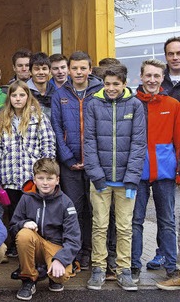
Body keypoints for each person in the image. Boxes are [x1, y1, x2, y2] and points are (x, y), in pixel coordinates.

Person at [83, 64, 146, 291]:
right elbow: (88, 143)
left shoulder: (135, 105)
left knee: (124, 227)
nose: (111, 88)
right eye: (107, 84)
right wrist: (97, 176)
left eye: (115, 84)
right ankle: (98, 268)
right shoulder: (93, 105)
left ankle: (124, 270)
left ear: (124, 83)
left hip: (125, 181)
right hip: (101, 180)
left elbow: (139, 144)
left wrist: (131, 178)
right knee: (99, 225)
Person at [0, 80, 56, 258]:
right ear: (9, 97)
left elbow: (48, 146)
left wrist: (45, 175)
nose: (18, 99)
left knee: (32, 212)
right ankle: (14, 245)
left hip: (30, 177)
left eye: (22, 95)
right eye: (14, 95)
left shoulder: (39, 118)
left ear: (28, 96)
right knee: (12, 213)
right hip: (9, 175)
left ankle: (31, 247)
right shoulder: (2, 119)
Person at [49, 51, 102, 272]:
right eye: (74, 68)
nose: (78, 72)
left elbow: (105, 128)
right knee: (74, 209)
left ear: (90, 69)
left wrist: (92, 160)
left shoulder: (99, 92)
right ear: (68, 70)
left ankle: (92, 252)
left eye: (83, 68)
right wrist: (68, 159)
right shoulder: (59, 93)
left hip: (95, 163)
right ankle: (76, 251)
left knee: (95, 209)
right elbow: (56, 127)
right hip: (69, 164)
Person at [131, 59, 180, 283]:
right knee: (135, 220)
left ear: (162, 78)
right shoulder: (131, 103)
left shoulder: (173, 104)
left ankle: (172, 268)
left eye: (156, 76)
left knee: (167, 220)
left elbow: (179, 139)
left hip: (165, 172)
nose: (152, 80)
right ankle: (132, 268)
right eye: (148, 76)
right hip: (137, 171)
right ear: (141, 77)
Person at [10, 158, 81, 301]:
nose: (45, 182)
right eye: (41, 178)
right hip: (34, 243)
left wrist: (61, 259)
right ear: (34, 180)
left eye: (50, 178)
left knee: (61, 276)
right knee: (24, 235)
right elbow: (12, 227)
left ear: (57, 180)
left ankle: (52, 275)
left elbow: (74, 239)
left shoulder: (66, 203)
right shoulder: (26, 198)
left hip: (55, 247)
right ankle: (29, 280)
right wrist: (23, 224)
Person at [26, 52, 56, 118]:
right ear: (30, 72)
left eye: (44, 69)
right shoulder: (24, 91)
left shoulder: (55, 91)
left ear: (50, 71)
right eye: (37, 69)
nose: (41, 72)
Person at [161, 36, 180, 101]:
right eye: (171, 54)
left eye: (179, 53)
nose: (175, 57)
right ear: (165, 56)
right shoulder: (156, 79)